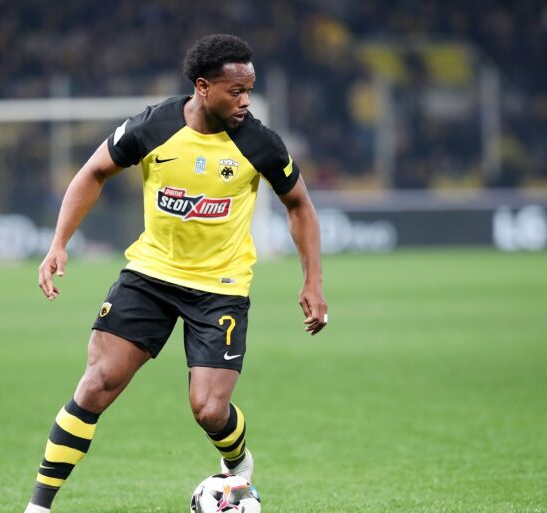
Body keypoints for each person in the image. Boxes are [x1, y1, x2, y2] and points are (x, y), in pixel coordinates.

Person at [23, 34, 328, 513]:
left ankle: (238, 462)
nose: (246, 101)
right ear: (203, 87)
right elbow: (93, 172)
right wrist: (58, 242)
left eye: (250, 91)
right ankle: (38, 507)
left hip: (221, 288)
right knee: (97, 383)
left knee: (209, 409)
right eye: (236, 91)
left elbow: (299, 206)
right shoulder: (154, 125)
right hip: (150, 277)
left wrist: (312, 281)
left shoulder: (259, 143)